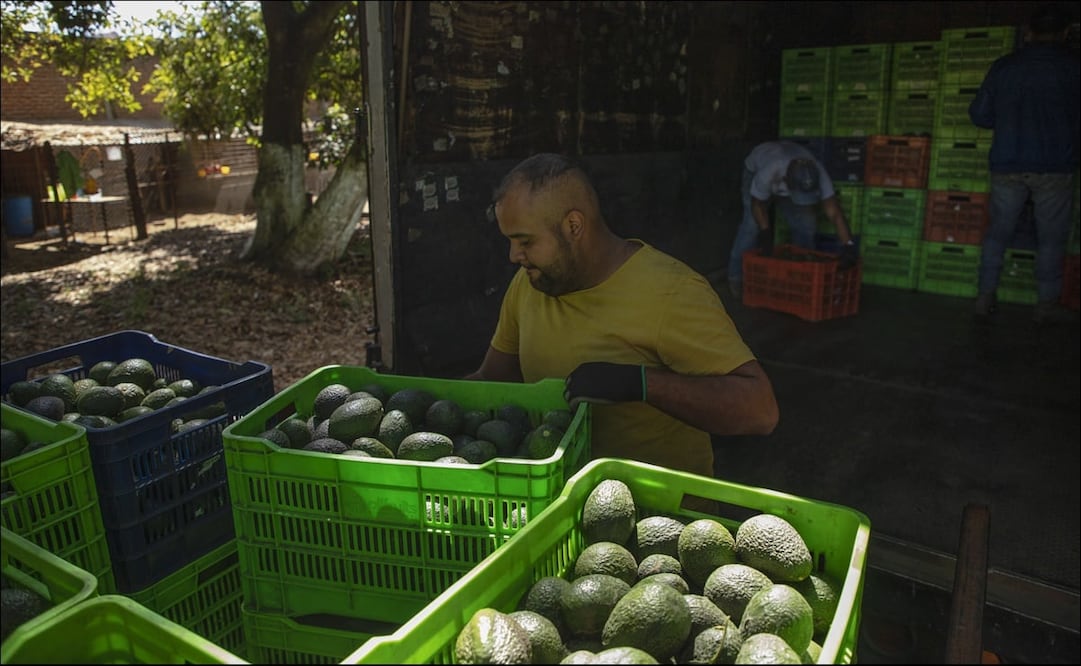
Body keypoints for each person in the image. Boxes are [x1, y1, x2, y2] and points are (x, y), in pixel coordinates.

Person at [465, 153, 779, 485]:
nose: (514, 256)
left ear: (573, 226)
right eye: (510, 241)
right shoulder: (529, 285)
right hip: (557, 502)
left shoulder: (670, 292)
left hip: (656, 520)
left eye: (525, 241)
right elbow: (492, 379)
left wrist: (642, 383)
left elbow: (760, 411)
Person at [969, 3, 1080, 324]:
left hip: (1008, 163)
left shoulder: (1004, 67)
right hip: (1055, 166)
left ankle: (984, 296)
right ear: (1066, 33)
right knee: (1051, 239)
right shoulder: (1074, 68)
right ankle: (1045, 306)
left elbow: (979, 114)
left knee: (997, 233)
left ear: (1028, 33)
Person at [725, 140, 858, 299]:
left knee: (806, 225)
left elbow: (834, 212)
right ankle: (735, 277)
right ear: (786, 181)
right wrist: (766, 233)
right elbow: (757, 205)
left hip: (787, 173)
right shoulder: (769, 171)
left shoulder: (818, 172)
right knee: (751, 226)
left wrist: (848, 245)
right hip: (755, 170)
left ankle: (800, 277)